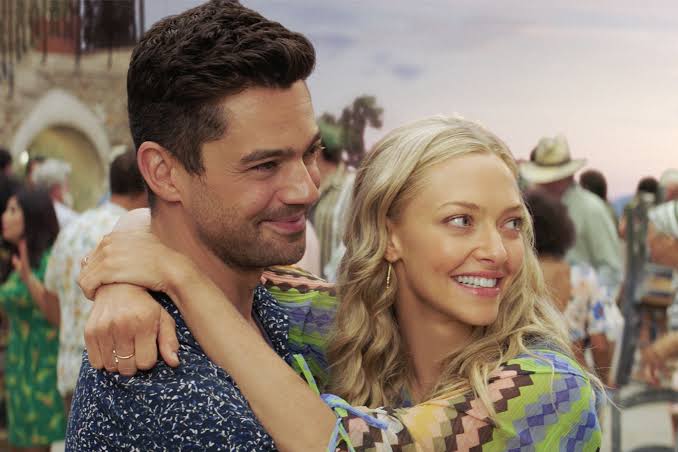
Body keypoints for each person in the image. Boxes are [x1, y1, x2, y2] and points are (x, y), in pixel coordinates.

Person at [78, 116, 603, 450]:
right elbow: (190, 244)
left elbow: (346, 447)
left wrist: (177, 278)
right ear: (390, 236)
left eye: (511, 224)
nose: (498, 250)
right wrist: (125, 281)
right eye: (461, 221)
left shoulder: (548, 387)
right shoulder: (339, 324)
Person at [65, 1, 327, 450]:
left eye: (309, 153)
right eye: (265, 166)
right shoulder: (175, 400)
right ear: (164, 173)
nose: (306, 189)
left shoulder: (267, 299)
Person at [43, 150, 147, 416]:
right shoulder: (139, 233)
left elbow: (50, 299)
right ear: (146, 189)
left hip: (70, 371)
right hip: (120, 376)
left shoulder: (72, 228)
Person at [525, 189, 619, 384]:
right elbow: (600, 344)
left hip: (522, 378)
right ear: (563, 229)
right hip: (572, 377)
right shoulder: (583, 277)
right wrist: (604, 382)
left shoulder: (513, 276)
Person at [0, 187, 65, 451]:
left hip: (43, 368)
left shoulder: (49, 260)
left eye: (13, 210)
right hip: (20, 364)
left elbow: (56, 314)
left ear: (32, 215)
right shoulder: (16, 260)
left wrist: (28, 276)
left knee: (38, 445)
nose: (4, 216)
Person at [521, 135, 622, 293]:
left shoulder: (591, 209)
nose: (545, 183)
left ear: (567, 176)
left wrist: (584, 297)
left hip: (577, 301)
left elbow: (610, 269)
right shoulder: (533, 207)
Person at [310, 118, 355, 280]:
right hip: (307, 288)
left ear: (318, 150)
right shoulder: (308, 187)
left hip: (338, 289)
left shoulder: (351, 185)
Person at [31, 159, 78, 227]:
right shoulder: (66, 217)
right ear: (56, 187)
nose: (68, 188)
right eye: (66, 183)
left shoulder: (34, 206)